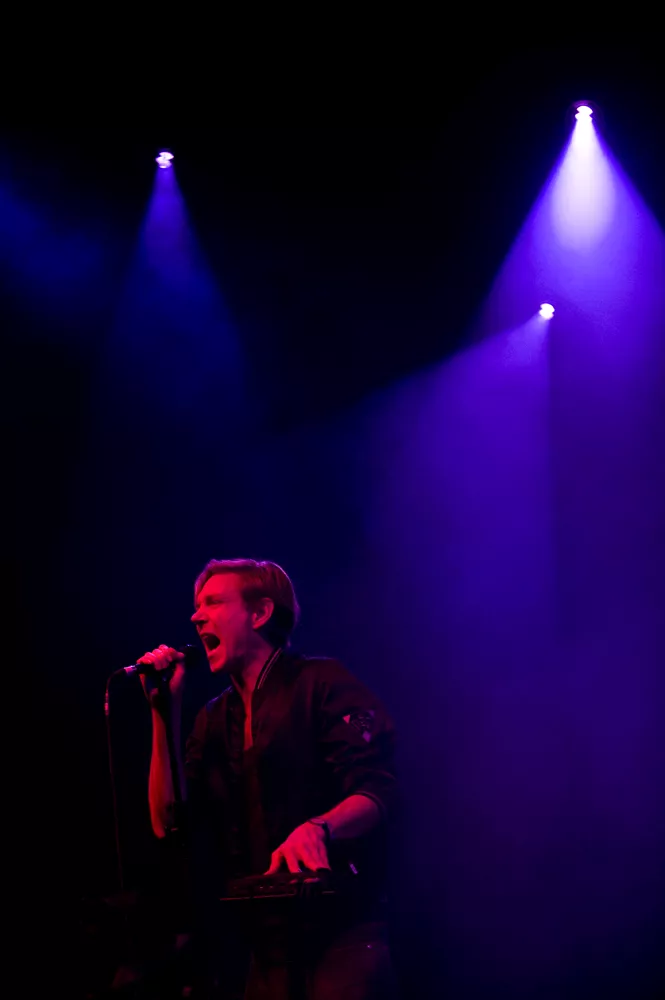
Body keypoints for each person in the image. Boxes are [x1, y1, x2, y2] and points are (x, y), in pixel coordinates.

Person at [139, 558, 399, 999]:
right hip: (265, 950)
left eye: (213, 602)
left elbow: (378, 791)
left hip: (342, 938)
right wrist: (164, 712)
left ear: (259, 613)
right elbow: (168, 823)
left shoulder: (320, 683)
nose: (196, 617)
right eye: (197, 606)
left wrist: (319, 828)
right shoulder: (213, 718)